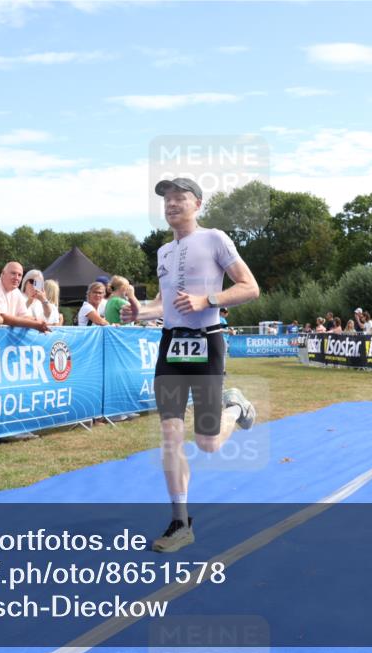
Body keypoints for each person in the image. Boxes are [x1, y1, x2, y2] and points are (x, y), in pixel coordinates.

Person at [122, 176, 260, 553]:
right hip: (171, 348)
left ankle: (236, 407)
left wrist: (208, 300)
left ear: (197, 204)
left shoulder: (215, 238)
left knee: (208, 442)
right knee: (169, 435)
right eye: (166, 199)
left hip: (207, 342)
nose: (170, 204)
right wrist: (142, 312)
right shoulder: (164, 253)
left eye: (179, 198)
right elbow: (167, 303)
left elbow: (250, 287)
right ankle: (180, 523)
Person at [0, 261, 52, 333]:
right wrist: (35, 324)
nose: (16, 278)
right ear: (3, 273)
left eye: (20, 275)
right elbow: (3, 317)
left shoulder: (16, 292)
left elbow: (24, 316)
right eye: (13, 273)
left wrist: (39, 322)